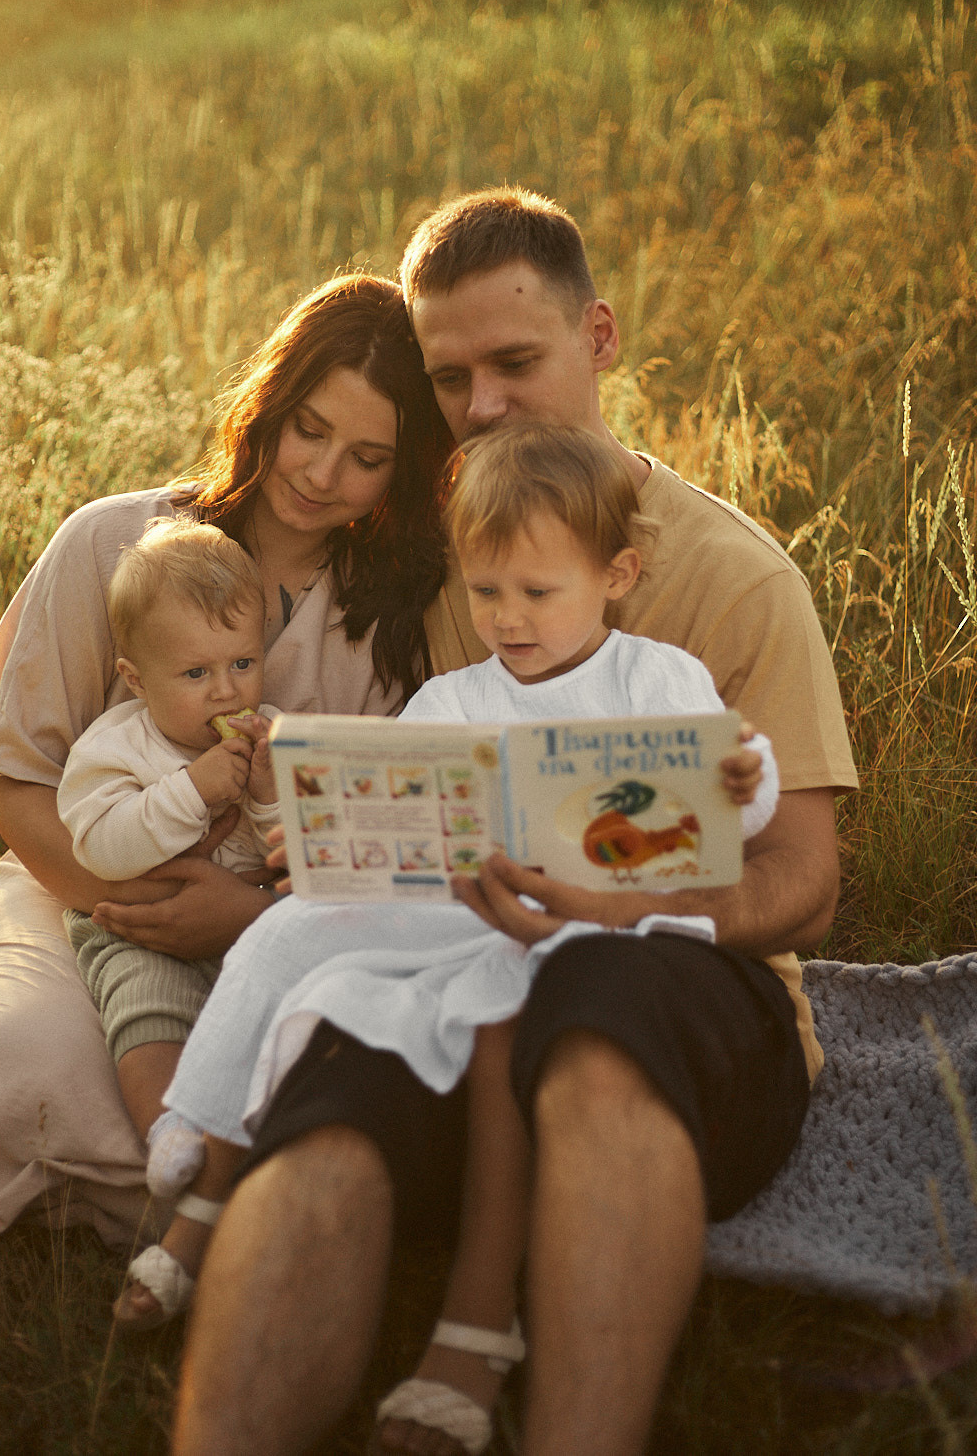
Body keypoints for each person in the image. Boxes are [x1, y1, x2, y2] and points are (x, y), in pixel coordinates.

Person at [173, 191, 857, 1456]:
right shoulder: (440, 556)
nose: (482, 405)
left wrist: (624, 906)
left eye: (515, 362)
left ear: (599, 336)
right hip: (461, 965)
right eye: (450, 378)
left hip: (684, 1002)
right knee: (344, 1061)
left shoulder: (735, 579)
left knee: (599, 1001)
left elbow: (804, 880)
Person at [127, 427, 779, 1421]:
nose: (507, 619)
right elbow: (394, 803)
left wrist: (742, 778)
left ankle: (481, 1308)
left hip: (602, 932)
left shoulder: (656, 680)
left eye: (537, 592)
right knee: (293, 939)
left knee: (503, 1019)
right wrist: (329, 835)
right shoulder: (453, 697)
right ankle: (200, 1117)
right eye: (485, 592)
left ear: (616, 575)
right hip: (461, 913)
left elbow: (735, 794)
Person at [0, 273, 449, 1268]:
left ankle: (153, 1190)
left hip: (281, 928)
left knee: (278, 1100)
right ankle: (168, 1196)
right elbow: (22, 781)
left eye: (367, 459)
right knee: (18, 1066)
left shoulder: (398, 625)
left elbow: (367, 853)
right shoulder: (112, 541)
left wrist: (245, 920)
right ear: (270, 403)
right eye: (309, 429)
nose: (322, 473)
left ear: (400, 474)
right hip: (79, 888)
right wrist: (126, 901)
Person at [57, 518, 281, 1153]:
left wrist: (269, 794)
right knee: (147, 1006)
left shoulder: (274, 736)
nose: (227, 690)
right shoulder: (115, 747)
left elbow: (297, 850)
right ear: (136, 679)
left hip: (248, 919)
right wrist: (193, 791)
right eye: (196, 673)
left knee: (285, 1000)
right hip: (141, 931)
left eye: (243, 663)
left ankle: (256, 1128)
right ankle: (169, 1132)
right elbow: (101, 847)